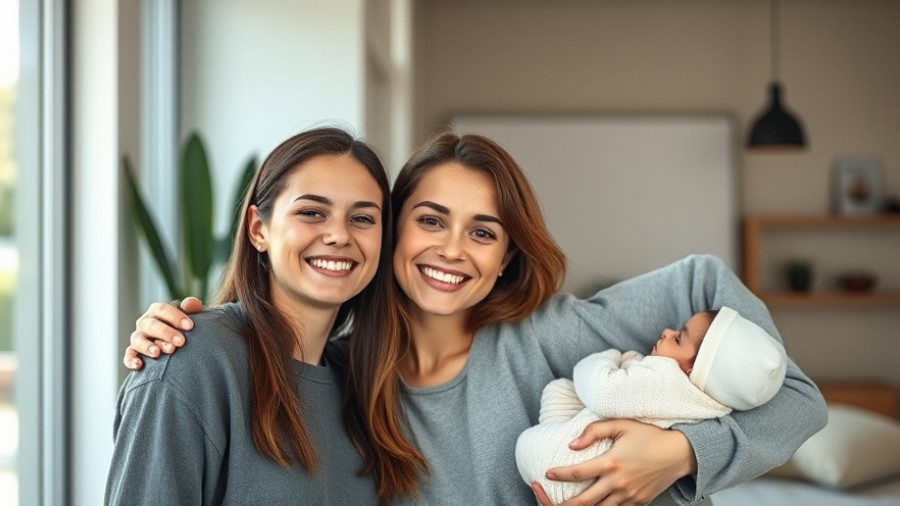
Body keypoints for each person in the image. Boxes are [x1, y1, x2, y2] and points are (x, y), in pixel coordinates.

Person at [121, 130, 827, 506]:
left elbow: (790, 391)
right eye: (430, 220)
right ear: (394, 233)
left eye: (484, 232)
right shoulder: (341, 379)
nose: (452, 250)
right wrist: (185, 336)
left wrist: (681, 456)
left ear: (506, 259)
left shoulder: (550, 334)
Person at [105, 127, 425, 505]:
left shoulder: (367, 384)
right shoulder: (193, 361)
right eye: (311, 212)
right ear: (259, 229)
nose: (339, 235)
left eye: (362, 219)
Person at [516, 307, 788, 504]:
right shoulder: (711, 406)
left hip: (559, 462)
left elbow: (602, 393)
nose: (667, 332)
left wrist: (610, 358)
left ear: (695, 368)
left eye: (679, 337)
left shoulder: (668, 378)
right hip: (583, 480)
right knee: (561, 391)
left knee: (561, 391)